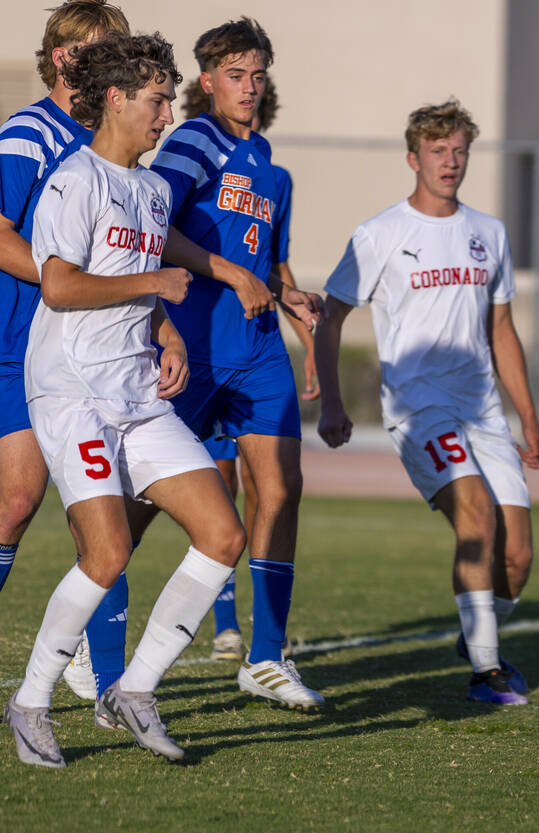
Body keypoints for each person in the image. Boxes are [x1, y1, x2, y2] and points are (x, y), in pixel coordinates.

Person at [3, 31, 246, 768]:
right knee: (106, 553)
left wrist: (167, 333)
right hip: (71, 390)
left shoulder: (148, 189)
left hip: (135, 391)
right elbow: (59, 285)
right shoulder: (75, 180)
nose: (166, 114)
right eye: (156, 99)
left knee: (223, 535)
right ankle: (31, 703)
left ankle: (134, 690)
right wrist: (153, 287)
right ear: (115, 99)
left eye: (168, 100)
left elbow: (140, 278)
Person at [314, 99, 539, 705]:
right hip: (419, 408)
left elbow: (502, 331)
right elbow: (331, 317)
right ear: (413, 159)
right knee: (476, 515)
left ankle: (477, 634)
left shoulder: (489, 233)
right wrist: (332, 403)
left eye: (460, 150)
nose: (451, 162)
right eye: (438, 152)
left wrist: (529, 416)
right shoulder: (380, 234)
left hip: (485, 413)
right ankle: (487, 670)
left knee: (517, 555)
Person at [129, 17, 324, 709]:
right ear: (206, 81)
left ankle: (266, 657)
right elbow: (155, 227)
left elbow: (265, 264)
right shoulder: (192, 143)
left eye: (258, 74)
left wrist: (288, 296)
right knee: (137, 506)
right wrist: (226, 274)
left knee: (281, 488)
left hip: (258, 349)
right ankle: (93, 646)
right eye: (236, 75)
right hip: (193, 351)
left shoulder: (270, 162)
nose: (249, 86)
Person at [0, 0, 130, 699]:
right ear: (61, 56)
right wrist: (68, 278)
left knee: (101, 505)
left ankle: (108, 680)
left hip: (91, 354)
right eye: (97, 48)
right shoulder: (28, 133)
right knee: (16, 502)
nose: (109, 59)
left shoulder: (110, 142)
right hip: (18, 344)